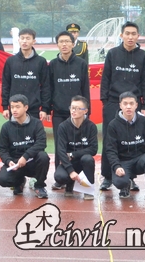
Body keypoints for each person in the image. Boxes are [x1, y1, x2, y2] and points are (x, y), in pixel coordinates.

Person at [99, 21, 145, 191]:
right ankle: (107, 176)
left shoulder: (143, 56)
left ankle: (130, 177)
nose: (130, 37)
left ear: (138, 36)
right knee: (109, 140)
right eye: (127, 33)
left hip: (133, 104)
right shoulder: (113, 53)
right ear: (121, 35)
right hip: (113, 102)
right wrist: (105, 101)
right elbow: (105, 78)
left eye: (133, 34)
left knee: (133, 140)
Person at [48, 30, 90, 189]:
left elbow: (85, 89)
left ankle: (80, 177)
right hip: (59, 112)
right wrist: (48, 108)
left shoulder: (81, 64)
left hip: (78, 113)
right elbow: (49, 88)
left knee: (79, 145)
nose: (64, 44)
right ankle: (60, 178)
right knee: (60, 145)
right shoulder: (53, 64)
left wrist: (86, 110)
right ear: (57, 45)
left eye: (67, 41)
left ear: (73, 44)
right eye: (61, 42)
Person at [104, 91, 145, 202]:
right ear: (120, 105)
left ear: (136, 105)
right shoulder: (113, 125)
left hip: (139, 159)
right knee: (120, 182)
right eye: (125, 104)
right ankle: (126, 184)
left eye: (131, 103)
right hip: (123, 162)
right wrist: (116, 166)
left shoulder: (144, 121)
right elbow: (111, 150)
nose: (128, 107)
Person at [0, 94, 50, 198]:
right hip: (15, 163)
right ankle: (19, 182)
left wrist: (26, 156)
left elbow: (41, 143)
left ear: (26, 107)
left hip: (32, 161)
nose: (14, 110)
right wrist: (8, 161)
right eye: (12, 107)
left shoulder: (36, 123)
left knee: (43, 156)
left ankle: (39, 186)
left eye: (17, 107)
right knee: (2, 180)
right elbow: (2, 148)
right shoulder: (6, 127)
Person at [53, 95, 97, 200]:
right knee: (60, 177)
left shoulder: (91, 126)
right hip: (69, 162)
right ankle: (69, 185)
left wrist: (73, 154)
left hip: (82, 161)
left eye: (77, 108)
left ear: (85, 111)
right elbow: (61, 150)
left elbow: (93, 149)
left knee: (88, 159)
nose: (73, 111)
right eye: (72, 108)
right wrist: (70, 170)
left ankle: (87, 189)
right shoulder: (63, 126)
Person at [1, 28, 50, 120]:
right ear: (18, 40)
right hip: (15, 108)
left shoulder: (41, 61)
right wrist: (5, 107)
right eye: (22, 38)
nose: (24, 41)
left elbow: (46, 86)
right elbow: (6, 85)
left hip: (34, 108)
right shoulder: (11, 61)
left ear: (33, 41)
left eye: (28, 38)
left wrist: (44, 108)